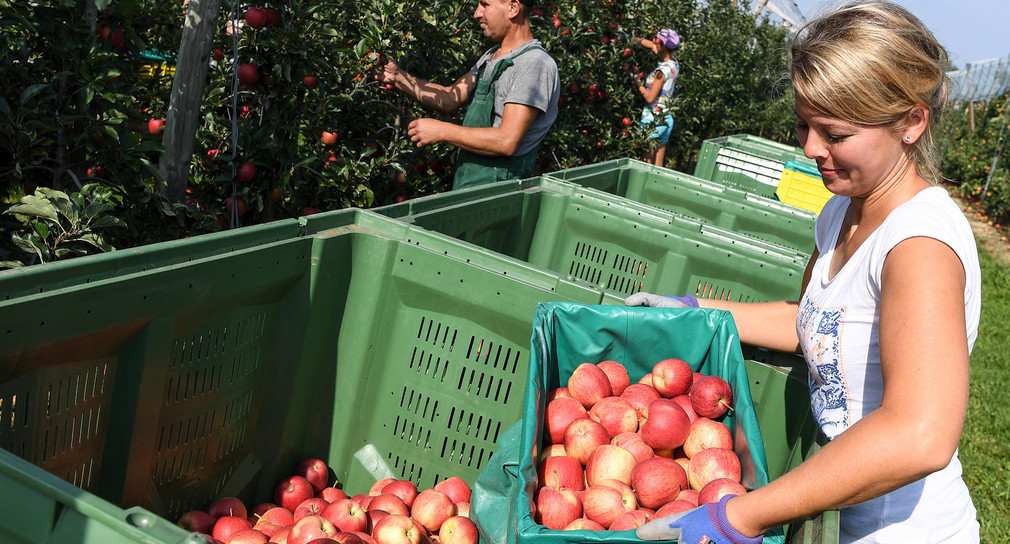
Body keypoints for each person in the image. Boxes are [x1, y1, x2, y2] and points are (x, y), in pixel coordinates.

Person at [627, 2, 981, 543]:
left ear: (911, 122)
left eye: (834, 134)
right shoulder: (843, 208)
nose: (811, 149)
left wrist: (739, 516)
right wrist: (695, 312)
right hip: (828, 510)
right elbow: (812, 323)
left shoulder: (919, 245)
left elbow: (921, 433)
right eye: (803, 125)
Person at [376, 0, 560, 190]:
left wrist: (442, 131)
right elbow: (449, 98)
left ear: (513, 8)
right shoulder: (492, 56)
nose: (477, 13)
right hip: (470, 187)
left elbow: (506, 141)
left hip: (500, 193)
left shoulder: (533, 64)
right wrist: (397, 77)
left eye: (485, 4)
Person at [632, 29, 680, 167]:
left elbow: (650, 98)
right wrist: (635, 39)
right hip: (666, 118)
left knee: (645, 167)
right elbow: (651, 46)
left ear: (663, 46)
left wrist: (637, 83)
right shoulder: (674, 64)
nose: (654, 43)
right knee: (658, 169)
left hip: (652, 120)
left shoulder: (661, 72)